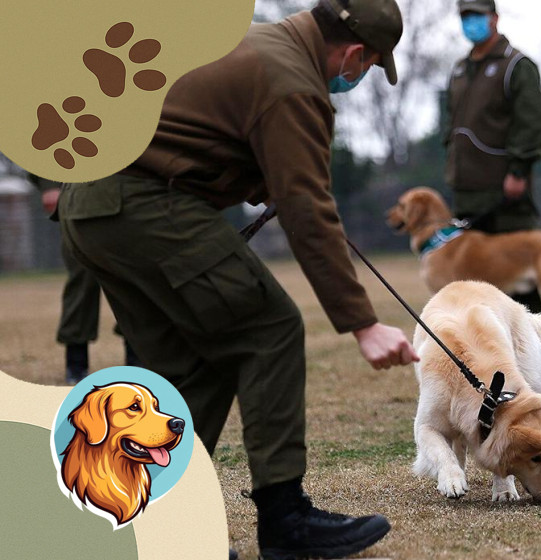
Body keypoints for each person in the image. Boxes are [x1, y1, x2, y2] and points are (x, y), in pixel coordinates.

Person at [58, 1, 418, 558]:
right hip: (141, 200)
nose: (361, 75)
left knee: (192, 358)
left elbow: (203, 132)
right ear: (353, 54)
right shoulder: (293, 82)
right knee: (268, 327)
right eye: (370, 65)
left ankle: (160, 530)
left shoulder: (257, 42)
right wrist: (362, 323)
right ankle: (286, 521)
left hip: (93, 204)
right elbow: (307, 208)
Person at [444, 0, 541, 312]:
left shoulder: (516, 66)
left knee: (519, 280)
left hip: (504, 194)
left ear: (495, 18)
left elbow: (532, 126)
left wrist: (518, 171)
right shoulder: (460, 69)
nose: (470, 21)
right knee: (476, 282)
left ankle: (539, 343)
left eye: (477, 14)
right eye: (465, 16)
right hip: (467, 193)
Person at [28, 173, 140, 384]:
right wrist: (49, 184)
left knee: (134, 281)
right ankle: (76, 363)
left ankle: (138, 360)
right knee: (82, 282)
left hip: (131, 196)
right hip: (80, 200)